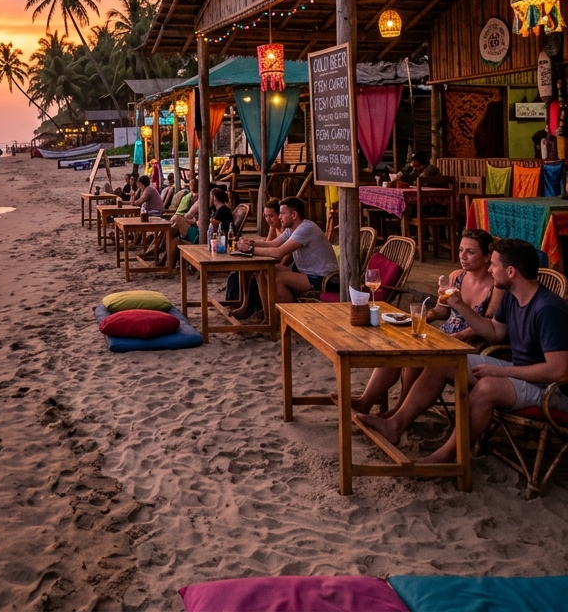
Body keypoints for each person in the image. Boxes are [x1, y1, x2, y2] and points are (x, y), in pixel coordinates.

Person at [357, 238, 568, 463]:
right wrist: (459, 305)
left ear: (511, 271)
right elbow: (495, 333)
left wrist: (500, 373)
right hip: (520, 371)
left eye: (494, 265)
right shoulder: (513, 297)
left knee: (488, 386)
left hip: (552, 391)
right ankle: (395, 425)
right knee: (446, 361)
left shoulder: (548, 309)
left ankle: (448, 456)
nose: (489, 269)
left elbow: (558, 372)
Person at [349, 229, 501, 416]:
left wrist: (459, 335)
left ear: (487, 257)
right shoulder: (457, 276)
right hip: (446, 335)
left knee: (414, 356)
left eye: (470, 252)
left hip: (473, 343)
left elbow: (489, 323)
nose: (463, 256)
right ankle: (366, 400)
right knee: (398, 347)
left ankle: (399, 410)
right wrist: (424, 316)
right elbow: (442, 311)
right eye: (461, 250)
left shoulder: (495, 285)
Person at [238, 196, 339, 303]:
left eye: (282, 213)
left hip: (325, 278)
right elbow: (273, 244)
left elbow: (279, 252)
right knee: (265, 270)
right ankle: (268, 316)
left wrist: (250, 249)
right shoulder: (291, 229)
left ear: (294, 215)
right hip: (307, 273)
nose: (279, 217)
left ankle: (286, 316)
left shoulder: (306, 228)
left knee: (279, 279)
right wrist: (250, 242)